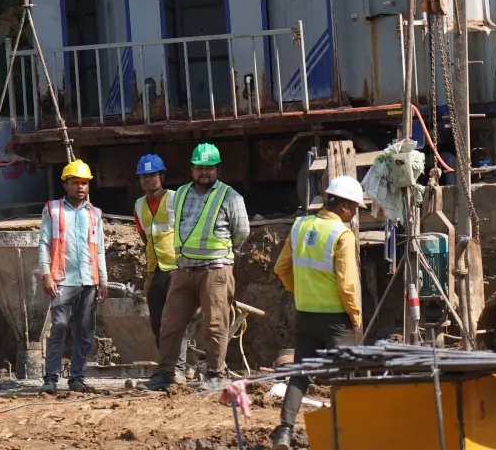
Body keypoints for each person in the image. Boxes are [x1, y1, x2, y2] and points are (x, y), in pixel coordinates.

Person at [139, 143, 250, 392]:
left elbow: (242, 231)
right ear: (192, 169)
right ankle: (165, 373)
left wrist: (224, 251)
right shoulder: (180, 195)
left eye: (209, 168)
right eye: (200, 168)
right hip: (184, 270)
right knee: (169, 323)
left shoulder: (229, 196)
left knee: (215, 324)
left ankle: (214, 375)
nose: (204, 173)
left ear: (217, 170)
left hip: (215, 269)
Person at [269, 175, 365, 450]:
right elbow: (346, 285)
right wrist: (355, 318)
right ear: (345, 206)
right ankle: (344, 434)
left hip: (306, 315)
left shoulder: (300, 226)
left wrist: (300, 293)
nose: (356, 213)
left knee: (300, 373)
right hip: (336, 318)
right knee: (345, 376)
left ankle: (284, 431)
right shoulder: (342, 235)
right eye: (356, 207)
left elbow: (281, 269)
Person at [37, 158, 108, 395]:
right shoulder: (53, 209)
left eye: (84, 183)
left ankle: (78, 378)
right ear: (65, 184)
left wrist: (103, 281)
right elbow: (44, 243)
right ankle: (50, 379)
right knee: (58, 326)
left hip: (88, 281)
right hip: (62, 280)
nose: (80, 187)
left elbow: (99, 249)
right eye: (75, 182)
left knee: (85, 331)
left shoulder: (95, 213)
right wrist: (46, 274)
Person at [133, 153, 190, 383]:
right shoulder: (139, 205)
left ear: (162, 176)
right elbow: (145, 238)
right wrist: (149, 273)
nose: (148, 180)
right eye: (144, 176)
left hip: (177, 267)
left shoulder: (176, 199)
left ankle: (180, 368)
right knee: (157, 321)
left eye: (152, 175)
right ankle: (167, 367)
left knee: (176, 320)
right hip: (156, 270)